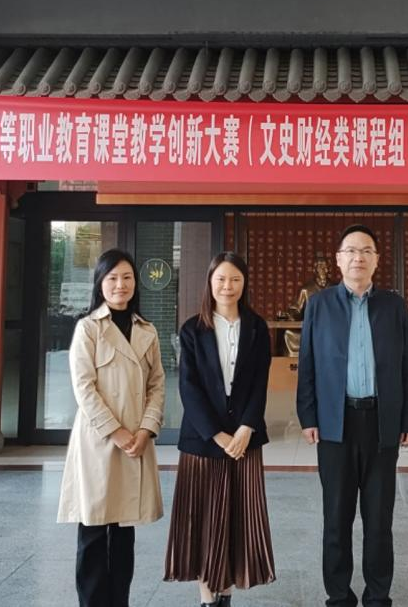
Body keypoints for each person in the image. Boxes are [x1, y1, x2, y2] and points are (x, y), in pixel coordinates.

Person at [297, 224, 408, 607]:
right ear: (338, 259)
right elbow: (307, 364)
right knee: (336, 518)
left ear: (377, 260)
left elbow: (407, 367)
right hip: (336, 424)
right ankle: (338, 596)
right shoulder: (319, 305)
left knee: (379, 520)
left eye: (366, 251)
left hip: (381, 423)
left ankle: (378, 596)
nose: (358, 258)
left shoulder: (393, 306)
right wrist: (308, 416)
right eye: (350, 250)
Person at [165, 251, 276, 607]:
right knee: (202, 520)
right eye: (221, 279)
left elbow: (260, 383)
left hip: (244, 440)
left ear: (245, 284)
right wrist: (217, 434)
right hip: (203, 440)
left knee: (235, 519)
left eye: (235, 279)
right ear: (210, 283)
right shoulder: (192, 329)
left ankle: (225, 593)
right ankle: (206, 597)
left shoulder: (257, 327)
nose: (228, 286)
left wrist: (246, 428)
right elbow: (188, 387)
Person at [57, 248, 166, 607]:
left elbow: (157, 385)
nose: (121, 285)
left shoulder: (147, 330)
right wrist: (116, 432)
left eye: (127, 277)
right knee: (92, 530)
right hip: (99, 441)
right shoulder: (88, 328)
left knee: (123, 534)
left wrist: (146, 430)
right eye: (113, 278)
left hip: (135, 441)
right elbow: (83, 388)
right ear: (100, 283)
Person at [278, 254, 331, 355]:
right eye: (320, 267)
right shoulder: (306, 290)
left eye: (325, 267)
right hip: (311, 330)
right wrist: (289, 314)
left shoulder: (335, 288)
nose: (323, 270)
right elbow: (297, 309)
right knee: (288, 335)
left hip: (331, 330)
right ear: (314, 270)